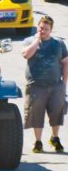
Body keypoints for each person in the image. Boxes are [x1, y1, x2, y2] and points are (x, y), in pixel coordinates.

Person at [21, 15, 67, 154]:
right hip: (36, 86)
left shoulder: (58, 44)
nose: (43, 31)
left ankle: (55, 137)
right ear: (37, 27)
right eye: (41, 28)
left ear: (51, 30)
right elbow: (26, 55)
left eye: (46, 29)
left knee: (56, 113)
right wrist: (36, 41)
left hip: (55, 85)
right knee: (36, 114)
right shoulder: (29, 41)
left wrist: (64, 83)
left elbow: (66, 63)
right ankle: (38, 141)